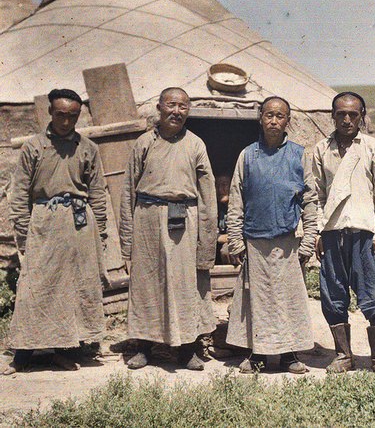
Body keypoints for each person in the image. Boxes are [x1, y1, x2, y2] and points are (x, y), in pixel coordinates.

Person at [4, 89, 108, 375]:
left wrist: (100, 230)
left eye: (72, 116)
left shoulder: (87, 148)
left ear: (78, 115)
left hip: (79, 223)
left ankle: (65, 349)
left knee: (75, 287)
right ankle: (23, 353)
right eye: (60, 114)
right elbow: (20, 192)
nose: (65, 121)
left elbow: (97, 192)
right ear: (50, 112)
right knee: (36, 286)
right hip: (44, 224)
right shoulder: (34, 147)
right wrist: (25, 233)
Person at [119, 87, 217, 371]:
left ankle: (187, 350)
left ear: (189, 110)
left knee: (187, 284)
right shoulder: (143, 143)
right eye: (171, 105)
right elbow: (128, 192)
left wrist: (207, 240)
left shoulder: (196, 144)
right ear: (159, 108)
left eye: (183, 106)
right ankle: (144, 347)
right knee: (148, 283)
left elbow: (208, 194)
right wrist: (127, 241)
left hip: (185, 220)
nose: (177, 111)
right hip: (147, 219)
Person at [225, 96, 317, 374]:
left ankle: (289, 355)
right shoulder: (248, 156)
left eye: (280, 116)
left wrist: (309, 239)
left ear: (288, 120)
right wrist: (235, 240)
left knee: (288, 299)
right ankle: (258, 355)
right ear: (260, 118)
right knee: (258, 300)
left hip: (287, 242)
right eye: (269, 115)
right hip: (255, 241)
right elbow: (236, 200)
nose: (274, 121)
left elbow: (311, 200)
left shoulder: (299, 155)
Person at [311, 91, 375, 374]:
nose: (347, 120)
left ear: (362, 116)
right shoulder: (321, 149)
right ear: (332, 115)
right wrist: (319, 231)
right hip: (333, 231)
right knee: (333, 293)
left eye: (353, 114)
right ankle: (344, 354)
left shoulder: (372, 147)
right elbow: (317, 194)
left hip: (365, 232)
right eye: (341, 114)